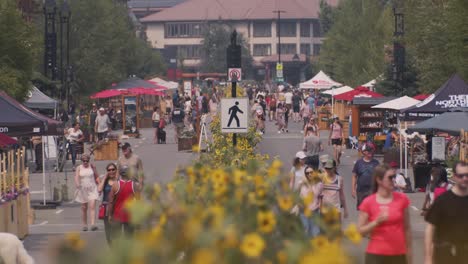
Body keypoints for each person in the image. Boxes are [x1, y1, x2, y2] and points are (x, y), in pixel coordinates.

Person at [358, 164, 412, 264]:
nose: (394, 180)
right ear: (379, 180)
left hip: (398, 255)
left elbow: (407, 228)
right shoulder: (368, 202)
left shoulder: (402, 199)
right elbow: (360, 231)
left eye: (394, 177)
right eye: (390, 178)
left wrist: (409, 254)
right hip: (376, 256)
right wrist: (376, 222)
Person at [424, 161, 468, 264]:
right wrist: (428, 258)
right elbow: (430, 229)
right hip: (445, 255)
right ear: (454, 177)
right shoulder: (442, 201)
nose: (465, 178)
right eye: (461, 176)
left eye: (467, 175)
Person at [108, 165, 142, 237]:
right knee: (129, 237)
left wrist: (110, 215)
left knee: (117, 237)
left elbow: (110, 202)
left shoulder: (115, 185)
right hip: (129, 215)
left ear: (120, 173)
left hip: (117, 215)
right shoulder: (134, 185)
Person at [74, 154, 100, 232]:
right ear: (81, 161)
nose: (85, 162)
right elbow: (76, 177)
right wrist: (77, 184)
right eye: (84, 161)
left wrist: (100, 185)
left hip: (92, 188)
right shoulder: (79, 168)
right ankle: (85, 224)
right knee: (84, 208)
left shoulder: (92, 166)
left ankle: (93, 224)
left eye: (87, 161)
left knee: (92, 206)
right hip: (83, 189)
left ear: (89, 160)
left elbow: (97, 176)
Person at [352, 143, 380, 208]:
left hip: (373, 190)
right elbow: (354, 176)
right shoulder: (358, 163)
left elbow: (380, 176)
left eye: (371, 150)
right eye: (368, 150)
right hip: (361, 190)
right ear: (364, 152)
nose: (370, 152)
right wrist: (353, 189)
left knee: (373, 208)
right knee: (362, 209)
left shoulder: (376, 163)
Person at [298, 166, 323, 237]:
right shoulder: (302, 184)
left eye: (311, 172)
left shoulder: (319, 184)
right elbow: (297, 195)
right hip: (304, 212)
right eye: (307, 173)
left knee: (315, 233)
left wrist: (320, 211)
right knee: (306, 232)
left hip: (315, 212)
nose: (309, 174)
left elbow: (321, 197)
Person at [97, 162, 118, 244]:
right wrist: (105, 178)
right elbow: (99, 190)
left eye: (113, 169)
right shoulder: (105, 182)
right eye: (109, 170)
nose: (111, 171)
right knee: (108, 228)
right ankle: (110, 245)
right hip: (106, 207)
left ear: (116, 170)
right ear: (107, 171)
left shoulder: (119, 181)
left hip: (116, 207)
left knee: (116, 228)